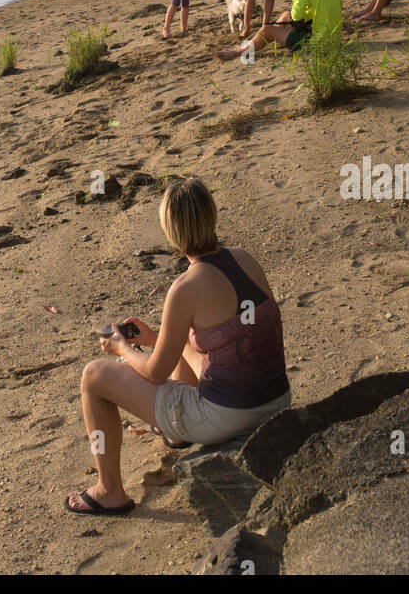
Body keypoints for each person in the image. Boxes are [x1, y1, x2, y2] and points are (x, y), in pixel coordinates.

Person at [65, 177, 290, 516]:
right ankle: (179, 434)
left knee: (93, 377)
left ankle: (109, 490)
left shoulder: (185, 288)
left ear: (171, 230)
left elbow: (155, 373)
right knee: (188, 340)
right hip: (274, 399)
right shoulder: (244, 259)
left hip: (227, 416)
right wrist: (156, 339)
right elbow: (237, 337)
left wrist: (122, 349)